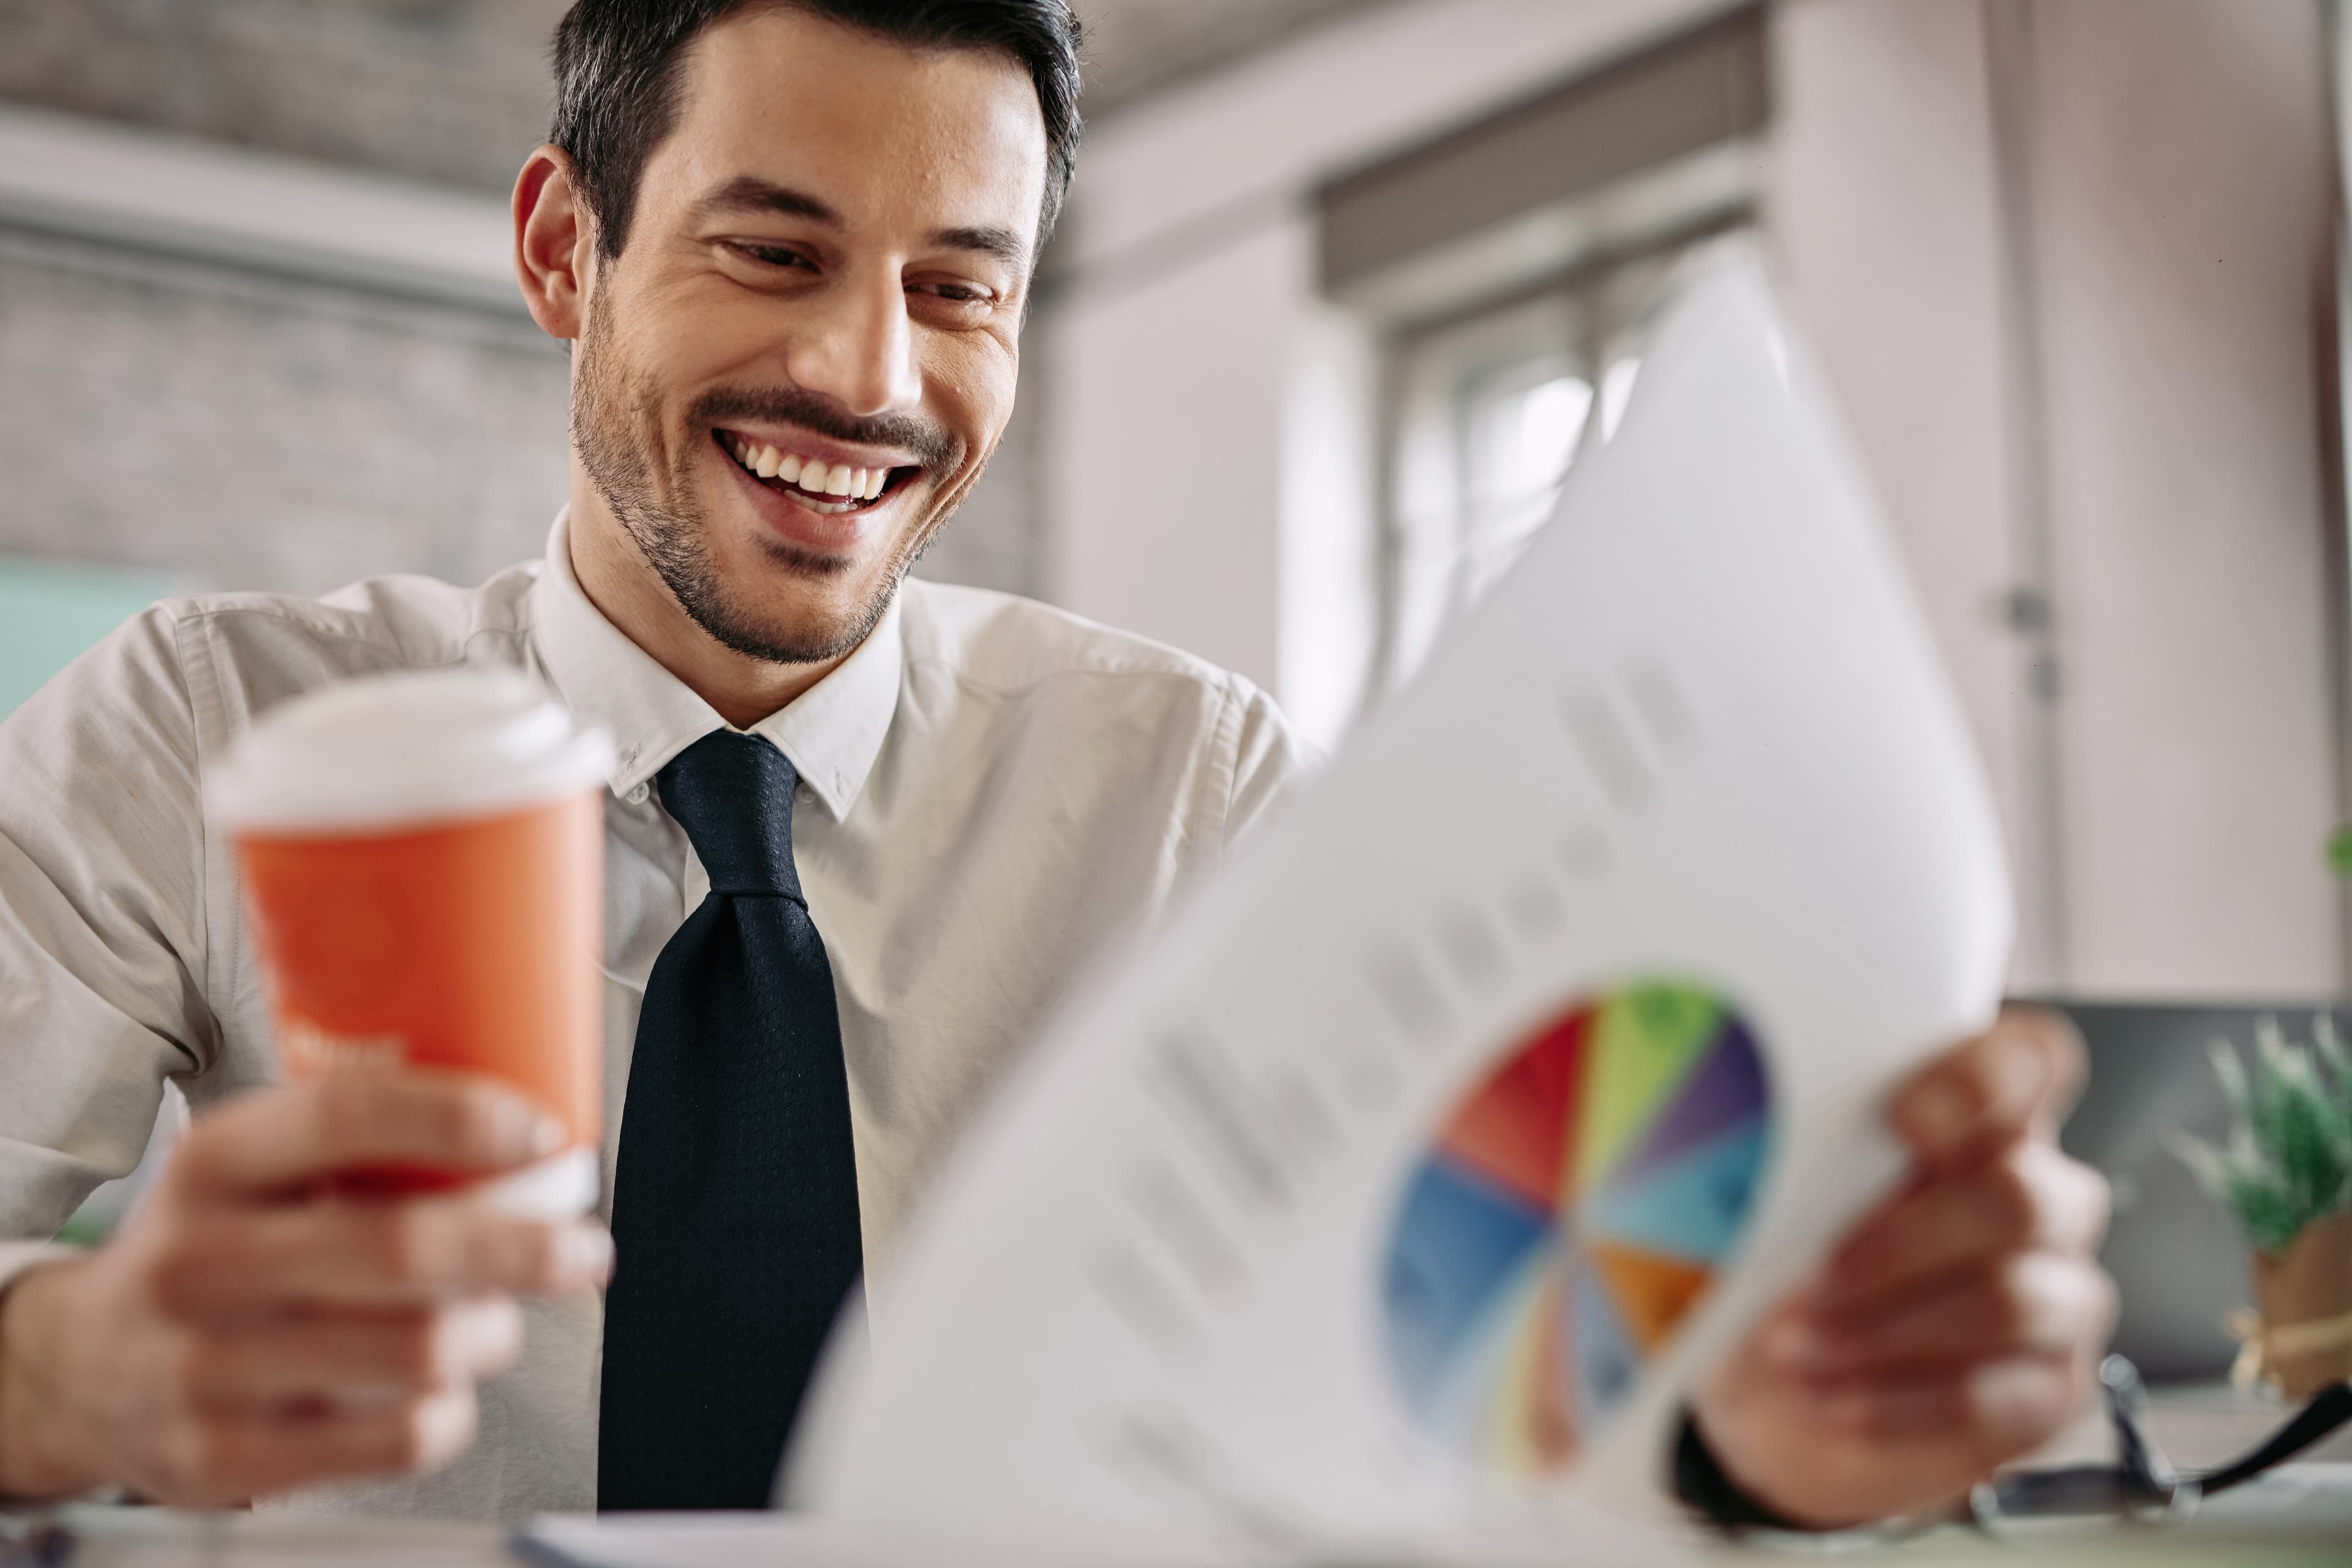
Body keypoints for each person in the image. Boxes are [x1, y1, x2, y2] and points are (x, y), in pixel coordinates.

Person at [0, 0, 2114, 1532]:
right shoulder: (213, 725)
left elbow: (1403, 1368)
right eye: (774, 249)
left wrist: (1737, 1446)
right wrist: (78, 1373)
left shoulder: (1187, 787)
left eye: (961, 288)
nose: (869, 374)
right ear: (568, 249)